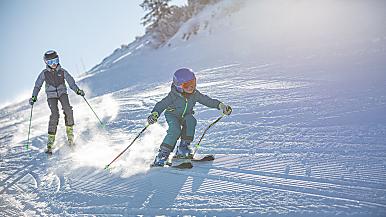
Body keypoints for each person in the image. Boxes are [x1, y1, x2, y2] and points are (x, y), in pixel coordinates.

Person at [147, 68, 232, 166]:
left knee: (191, 120)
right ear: (179, 86)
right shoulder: (173, 96)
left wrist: (221, 106)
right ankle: (162, 155)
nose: (191, 87)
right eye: (187, 85)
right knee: (175, 130)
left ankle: (183, 149)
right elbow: (161, 105)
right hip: (172, 115)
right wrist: (154, 114)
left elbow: (207, 100)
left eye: (193, 82)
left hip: (186, 114)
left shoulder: (195, 94)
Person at [29, 50, 85, 154]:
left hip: (62, 93)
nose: (54, 64)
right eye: (51, 62)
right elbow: (37, 85)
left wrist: (77, 90)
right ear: (46, 63)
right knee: (55, 114)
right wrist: (34, 96)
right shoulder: (44, 74)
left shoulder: (62, 71)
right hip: (51, 96)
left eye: (55, 60)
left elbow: (71, 82)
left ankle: (70, 135)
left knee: (68, 109)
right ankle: (50, 141)